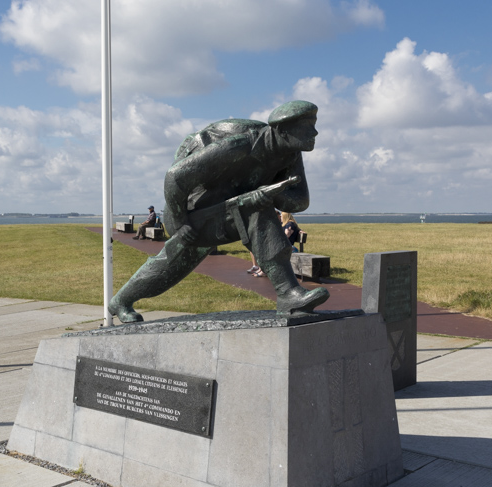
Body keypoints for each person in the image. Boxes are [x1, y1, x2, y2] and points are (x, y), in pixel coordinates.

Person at [108, 100, 328, 323]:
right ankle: (121, 302)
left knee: (257, 209)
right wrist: (181, 222)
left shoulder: (289, 152)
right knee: (170, 264)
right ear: (282, 130)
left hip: (233, 209)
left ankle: (288, 294)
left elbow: (300, 201)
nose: (315, 132)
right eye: (307, 126)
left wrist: (270, 193)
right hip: (195, 213)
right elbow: (175, 177)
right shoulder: (241, 145)